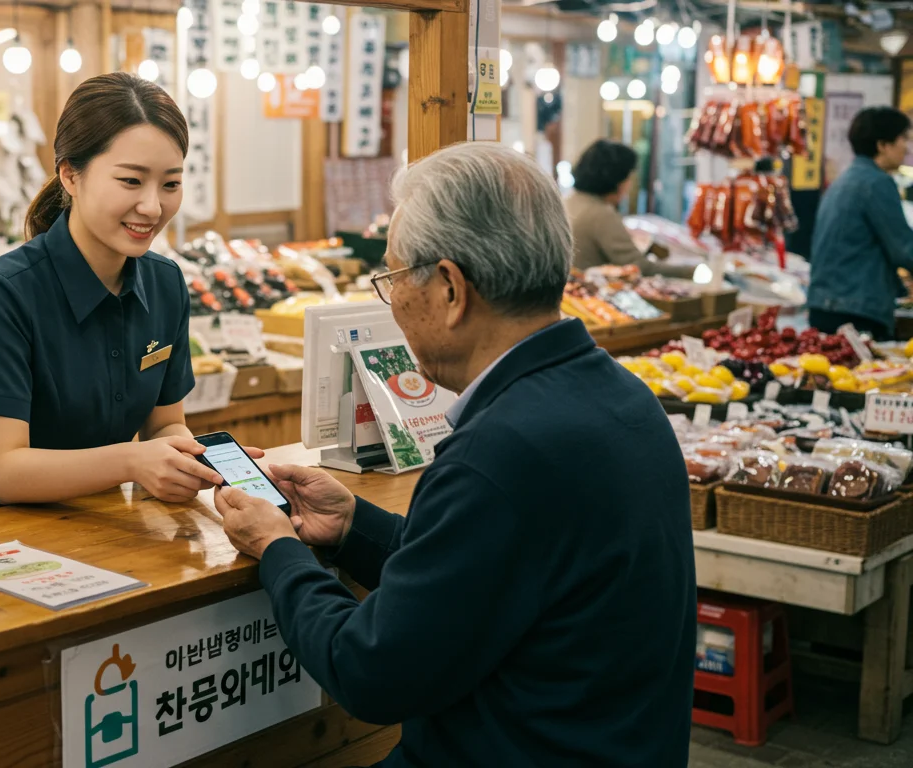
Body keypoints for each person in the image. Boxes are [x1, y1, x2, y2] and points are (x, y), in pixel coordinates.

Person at [214, 143, 697, 766]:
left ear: (449, 287)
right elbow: (481, 575)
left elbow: (370, 670)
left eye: (390, 279)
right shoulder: (621, 396)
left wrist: (277, 548)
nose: (391, 302)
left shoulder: (501, 452)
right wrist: (355, 527)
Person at [0, 73, 240, 517]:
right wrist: (132, 461)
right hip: (0, 540)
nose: (152, 206)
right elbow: (4, 472)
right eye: (130, 181)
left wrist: (183, 462)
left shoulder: (165, 284)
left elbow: (164, 422)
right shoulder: (4, 294)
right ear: (70, 175)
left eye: (170, 184)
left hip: (107, 524)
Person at [807, 106, 913, 341]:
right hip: (857, 311)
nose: (907, 147)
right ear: (883, 145)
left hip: (825, 306)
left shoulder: (844, 180)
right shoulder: (876, 183)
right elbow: (904, 248)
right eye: (903, 139)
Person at [566, 139, 694, 278]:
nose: (630, 185)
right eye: (629, 177)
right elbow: (638, 267)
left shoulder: (567, 201)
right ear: (617, 180)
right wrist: (692, 271)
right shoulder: (600, 214)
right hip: (588, 294)